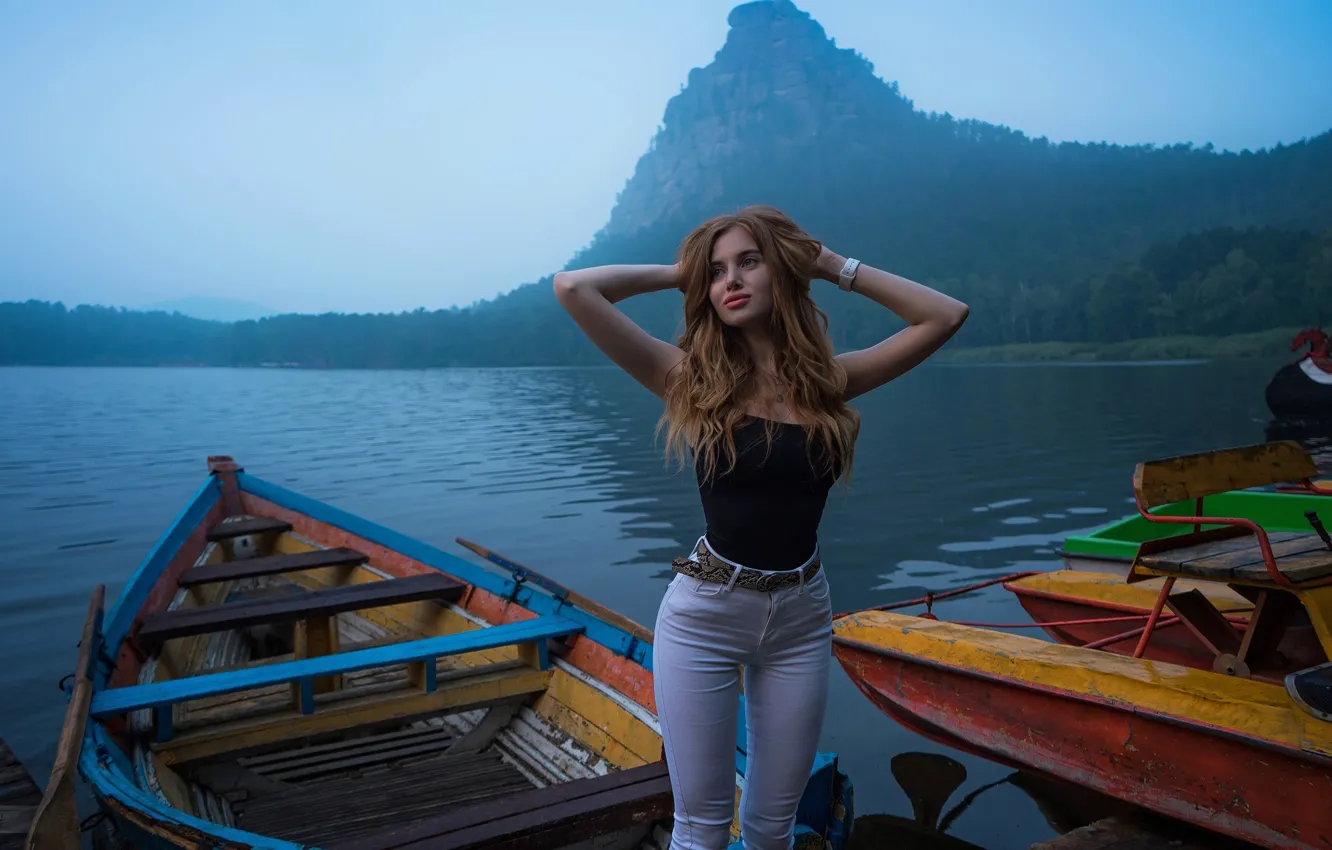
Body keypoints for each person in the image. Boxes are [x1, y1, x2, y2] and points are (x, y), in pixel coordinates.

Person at [553, 205, 969, 850]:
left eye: (749, 261)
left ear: (781, 271)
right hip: (706, 617)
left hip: (802, 614)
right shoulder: (689, 380)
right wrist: (679, 273)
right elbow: (574, 288)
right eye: (717, 273)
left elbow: (945, 315)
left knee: (773, 828)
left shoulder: (829, 383)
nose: (731, 280)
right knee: (701, 827)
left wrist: (830, 265)